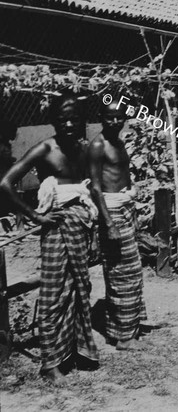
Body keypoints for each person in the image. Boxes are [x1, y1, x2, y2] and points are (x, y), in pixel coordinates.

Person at [0, 94, 98, 384]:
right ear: (54, 122)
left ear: (82, 121)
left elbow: (89, 190)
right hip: (55, 229)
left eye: (75, 118)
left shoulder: (83, 149)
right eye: (62, 119)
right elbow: (5, 183)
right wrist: (36, 216)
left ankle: (75, 351)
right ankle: (49, 363)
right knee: (54, 293)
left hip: (81, 225)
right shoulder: (45, 149)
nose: (69, 123)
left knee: (79, 288)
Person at [88, 100, 146, 351]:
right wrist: (108, 222)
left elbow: (123, 173)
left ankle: (125, 327)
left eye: (119, 117)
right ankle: (122, 336)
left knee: (131, 270)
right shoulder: (98, 145)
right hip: (110, 212)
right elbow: (95, 185)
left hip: (123, 206)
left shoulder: (119, 142)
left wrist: (131, 199)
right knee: (119, 272)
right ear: (101, 117)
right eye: (110, 117)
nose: (115, 122)